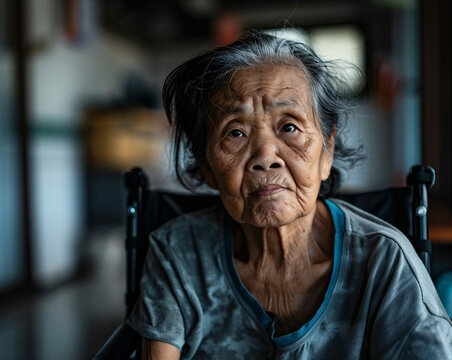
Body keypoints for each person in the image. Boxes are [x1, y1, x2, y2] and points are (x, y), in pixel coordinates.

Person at [127, 31, 452, 359]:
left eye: (289, 127)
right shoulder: (178, 252)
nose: (265, 155)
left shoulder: (384, 261)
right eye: (236, 133)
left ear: (327, 151)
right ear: (207, 167)